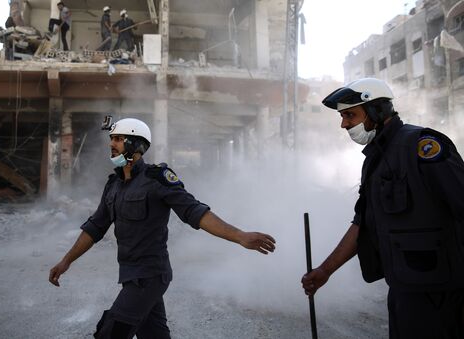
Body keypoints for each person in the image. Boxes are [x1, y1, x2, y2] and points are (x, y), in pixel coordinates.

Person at [49, 118, 276, 339]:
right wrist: (66, 260)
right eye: (111, 139)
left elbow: (194, 212)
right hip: (130, 275)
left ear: (136, 145)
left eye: (118, 139)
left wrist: (240, 236)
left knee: (111, 332)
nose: (111, 144)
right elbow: (96, 227)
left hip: (150, 276)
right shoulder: (113, 185)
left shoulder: (157, 179)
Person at [301, 78, 464, 339]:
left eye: (350, 115)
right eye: (343, 117)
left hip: (442, 292)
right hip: (403, 289)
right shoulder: (374, 161)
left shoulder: (422, 146)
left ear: (377, 111)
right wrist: (324, 271)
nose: (344, 124)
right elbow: (363, 223)